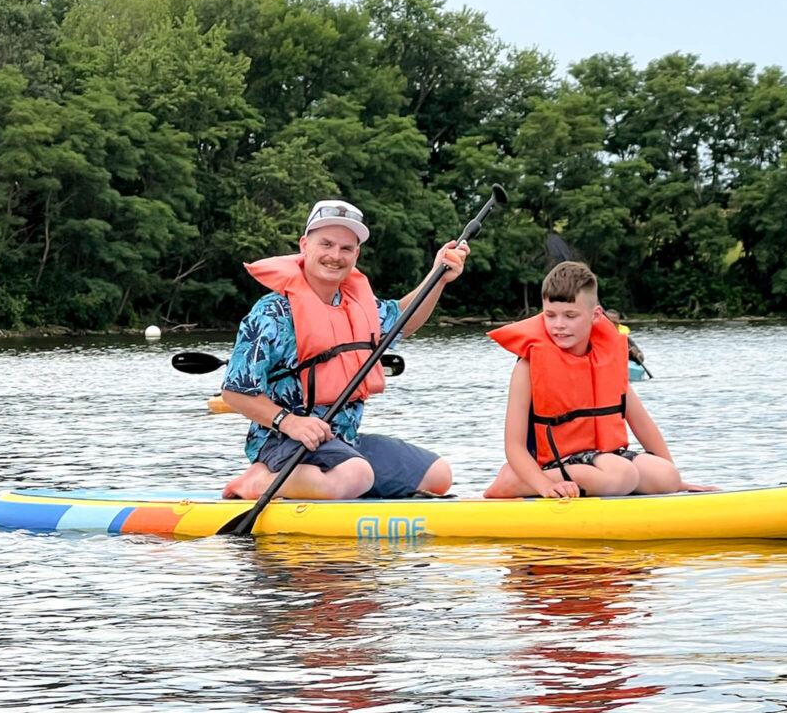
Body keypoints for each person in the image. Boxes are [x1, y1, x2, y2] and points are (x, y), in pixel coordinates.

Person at [220, 199, 470, 500]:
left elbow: (403, 320)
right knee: (357, 474)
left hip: (343, 441)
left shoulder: (358, 305)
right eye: (326, 244)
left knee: (438, 475)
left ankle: (337, 487)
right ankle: (256, 482)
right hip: (281, 440)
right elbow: (234, 393)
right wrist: (291, 422)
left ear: (356, 254)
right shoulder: (271, 314)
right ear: (304, 245)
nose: (335, 256)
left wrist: (437, 278)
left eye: (346, 249)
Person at [483, 261, 708, 499]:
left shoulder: (607, 359)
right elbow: (514, 446)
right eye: (550, 315)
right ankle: (513, 482)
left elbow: (642, 423)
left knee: (665, 476)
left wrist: (677, 482)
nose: (559, 325)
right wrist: (542, 485)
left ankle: (641, 480)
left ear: (595, 315)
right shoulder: (528, 366)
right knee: (623, 475)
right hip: (551, 462)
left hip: (601, 457)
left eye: (570, 316)